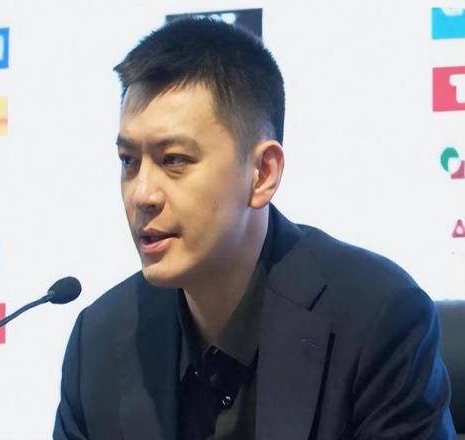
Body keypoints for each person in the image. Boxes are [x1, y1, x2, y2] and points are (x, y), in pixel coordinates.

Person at [53, 18, 456, 440]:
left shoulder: (377, 319)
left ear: (263, 173)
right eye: (129, 161)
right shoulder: (99, 340)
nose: (142, 194)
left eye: (173, 160)